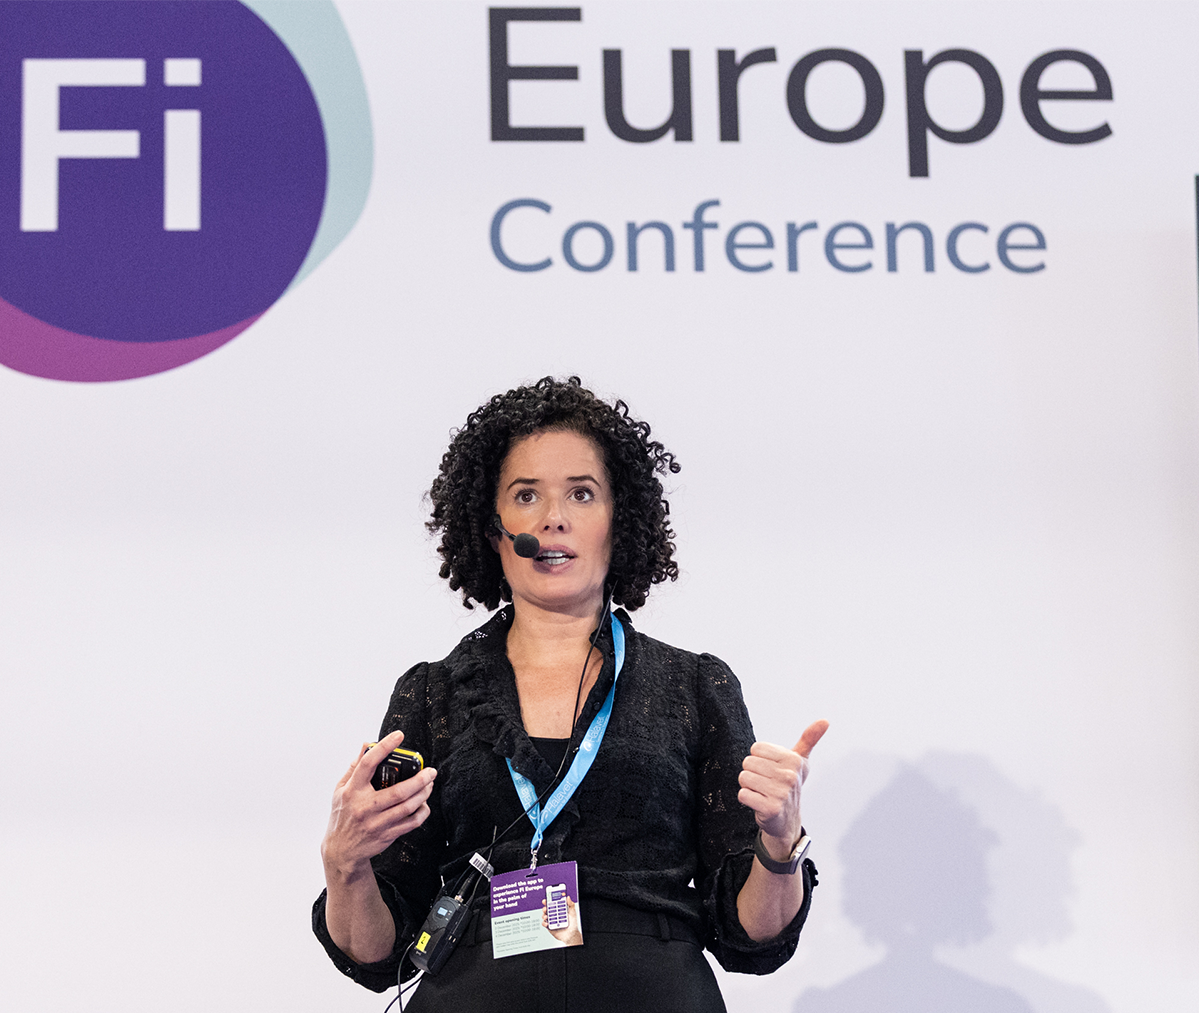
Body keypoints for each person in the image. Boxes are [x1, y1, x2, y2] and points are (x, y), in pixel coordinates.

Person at [313, 377, 827, 1012]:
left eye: (581, 494)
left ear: (619, 523)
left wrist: (779, 845)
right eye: (526, 495)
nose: (553, 517)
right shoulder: (431, 695)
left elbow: (752, 937)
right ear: (495, 530)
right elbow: (375, 953)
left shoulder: (694, 686)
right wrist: (345, 864)